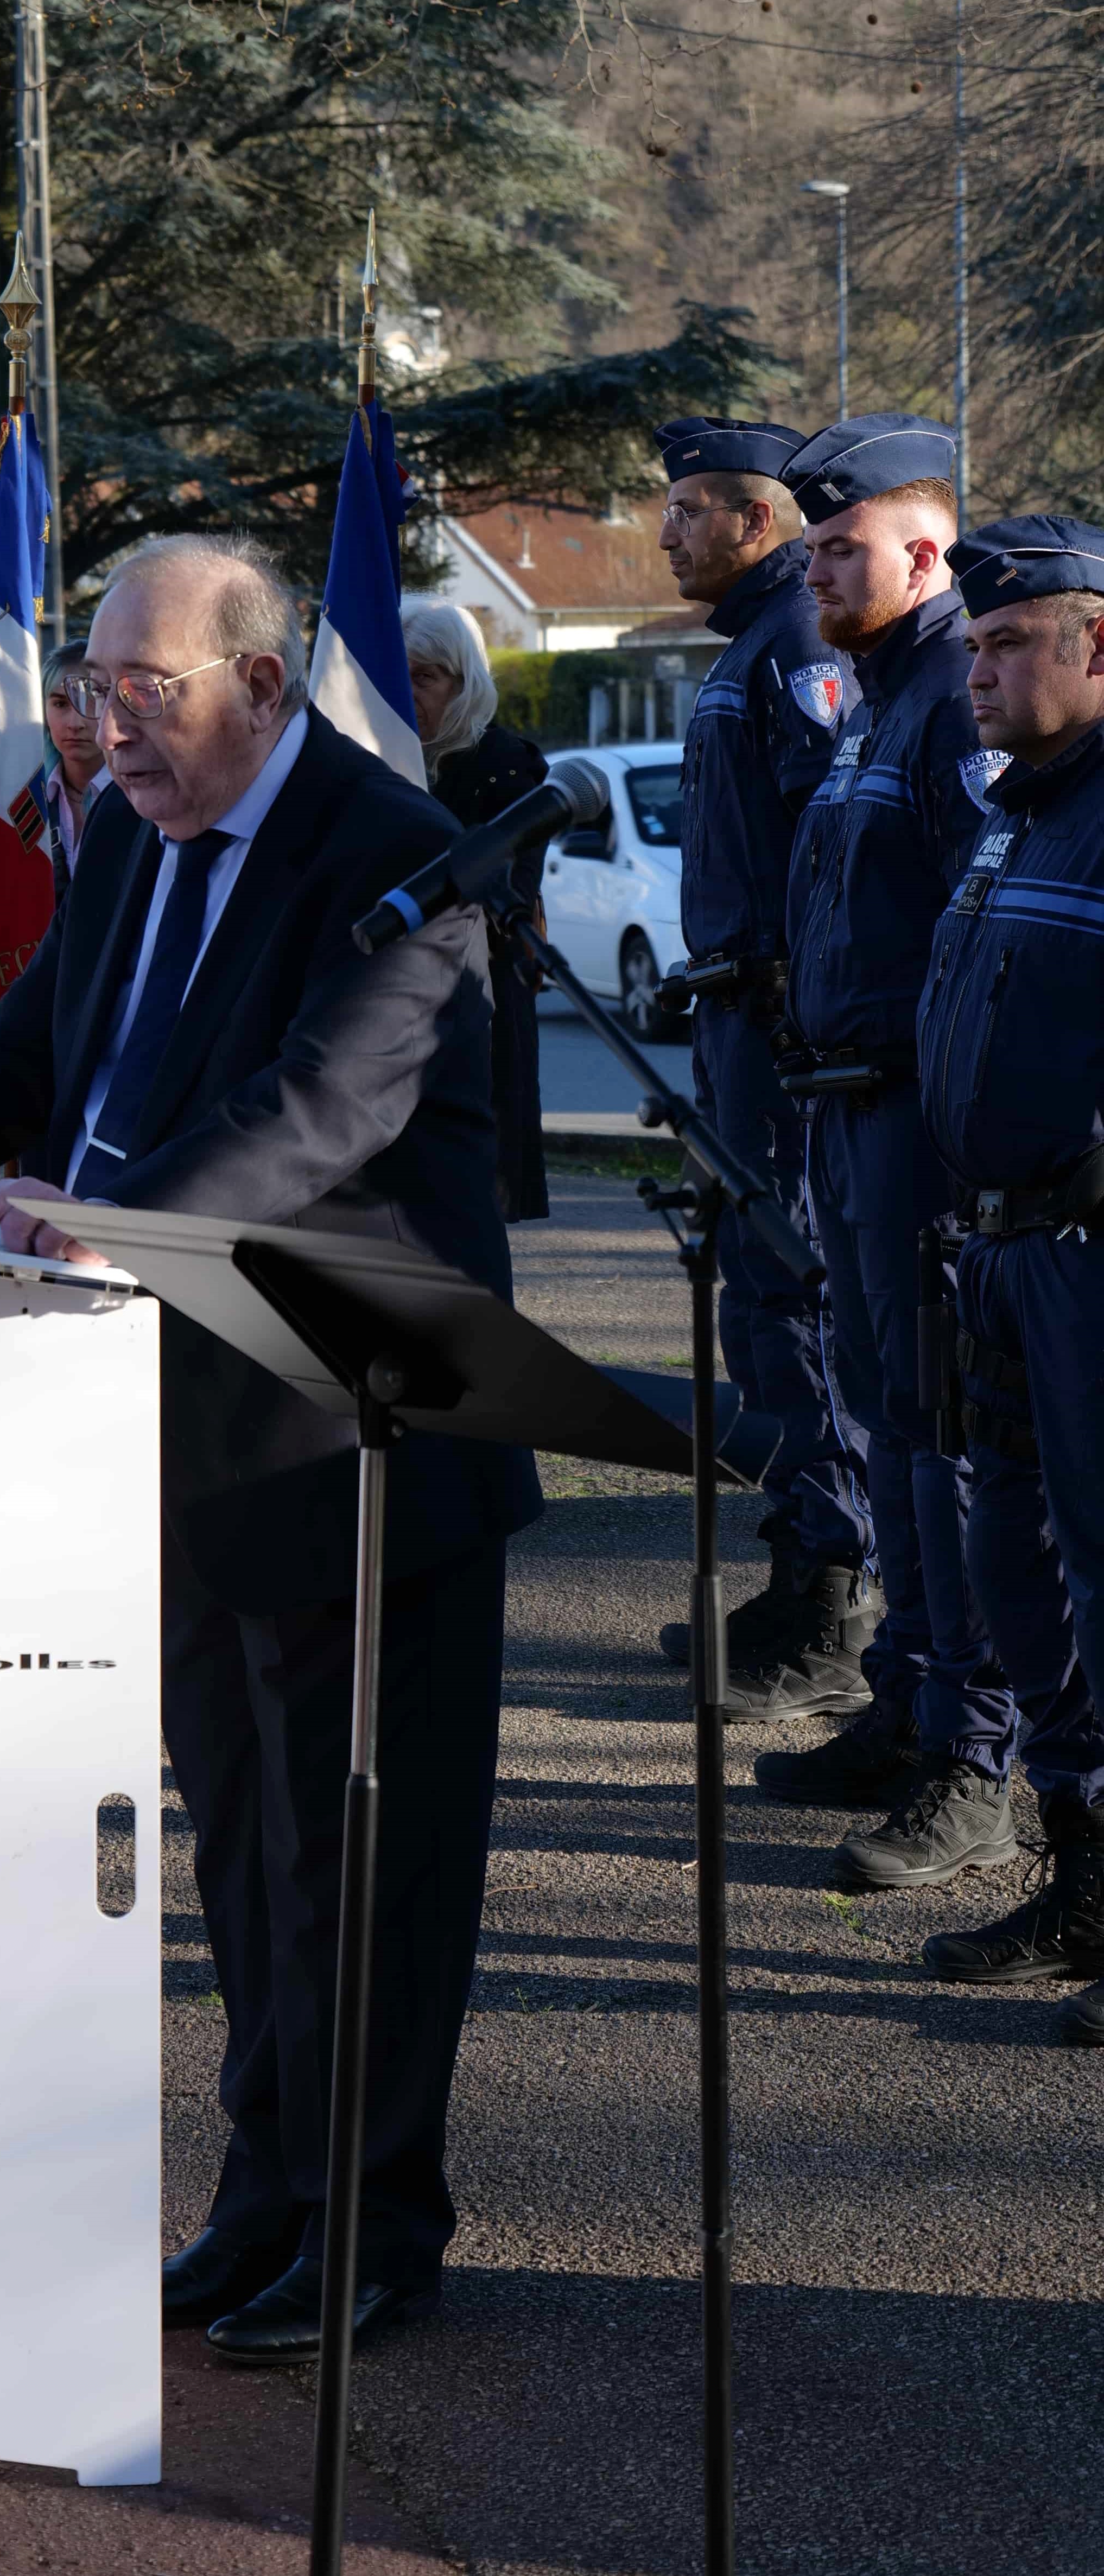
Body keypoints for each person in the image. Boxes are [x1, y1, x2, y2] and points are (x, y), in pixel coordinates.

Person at [0, 532, 542, 2361]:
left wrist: (106, 1219)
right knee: (239, 1833)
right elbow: (24, 1057)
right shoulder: (129, 834)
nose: (105, 730)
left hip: (354, 1427)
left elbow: (316, 1113)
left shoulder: (397, 858)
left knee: (366, 1850)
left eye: (146, 695)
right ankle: (267, 2189)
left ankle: (377, 2225)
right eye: (93, 691)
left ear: (263, 686)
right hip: (172, 1417)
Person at [759, 414, 1017, 1888]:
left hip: (917, 1131)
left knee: (947, 1451)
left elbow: (969, 937)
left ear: (927, 550)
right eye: (811, 546)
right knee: (892, 1425)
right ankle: (911, 1707)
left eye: (842, 547)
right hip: (848, 1119)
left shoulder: (953, 706)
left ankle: (977, 1756)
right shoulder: (874, 700)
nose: (816, 568)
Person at [645, 417, 877, 1727]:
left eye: (690, 510)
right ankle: (801, 1572)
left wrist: (795, 1000)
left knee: (796, 1298)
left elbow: (830, 838)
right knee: (761, 1302)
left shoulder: (795, 645)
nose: (667, 533)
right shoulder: (754, 643)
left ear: (759, 522)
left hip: (784, 1036)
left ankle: (832, 1597)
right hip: (741, 1027)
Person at [910, 516, 1104, 2040]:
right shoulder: (1015, 813)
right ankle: (1083, 1863)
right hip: (994, 1251)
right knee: (1012, 1568)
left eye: (1009, 642)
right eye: (972, 644)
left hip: (1089, 1259)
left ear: (1095, 644)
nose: (975, 669)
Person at [401, 600, 548, 1223]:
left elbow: (496, 892)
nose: (405, 694)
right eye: (395, 674)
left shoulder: (508, 766)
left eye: (424, 677)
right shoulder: (379, 759)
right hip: (392, 1008)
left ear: (465, 684)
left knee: (471, 1206)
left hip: (476, 1005)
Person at [37, 635, 109, 904]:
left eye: (90, 700)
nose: (75, 722)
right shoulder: (29, 795)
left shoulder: (143, 796)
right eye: (60, 704)